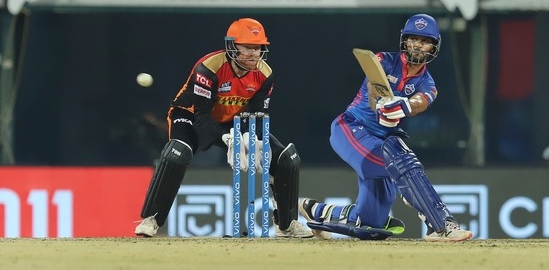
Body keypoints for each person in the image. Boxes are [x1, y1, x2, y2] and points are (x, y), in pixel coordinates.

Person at [299, 14, 473, 242]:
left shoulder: (428, 84)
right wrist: (382, 104)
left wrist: (406, 106)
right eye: (413, 39)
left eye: (424, 40)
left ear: (434, 46)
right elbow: (374, 89)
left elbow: (421, 102)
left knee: (371, 221)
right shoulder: (383, 60)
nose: (417, 45)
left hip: (384, 142)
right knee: (405, 164)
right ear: (404, 41)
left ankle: (316, 211)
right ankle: (442, 226)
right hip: (351, 129)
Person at [134, 17, 312, 238]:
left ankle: (286, 224)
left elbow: (257, 115)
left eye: (258, 48)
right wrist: (231, 138)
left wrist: (250, 138)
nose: (253, 54)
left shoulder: (265, 74)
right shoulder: (208, 68)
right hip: (190, 116)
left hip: (232, 120)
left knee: (286, 158)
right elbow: (202, 117)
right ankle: (151, 219)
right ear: (231, 46)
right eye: (247, 47)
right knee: (177, 154)